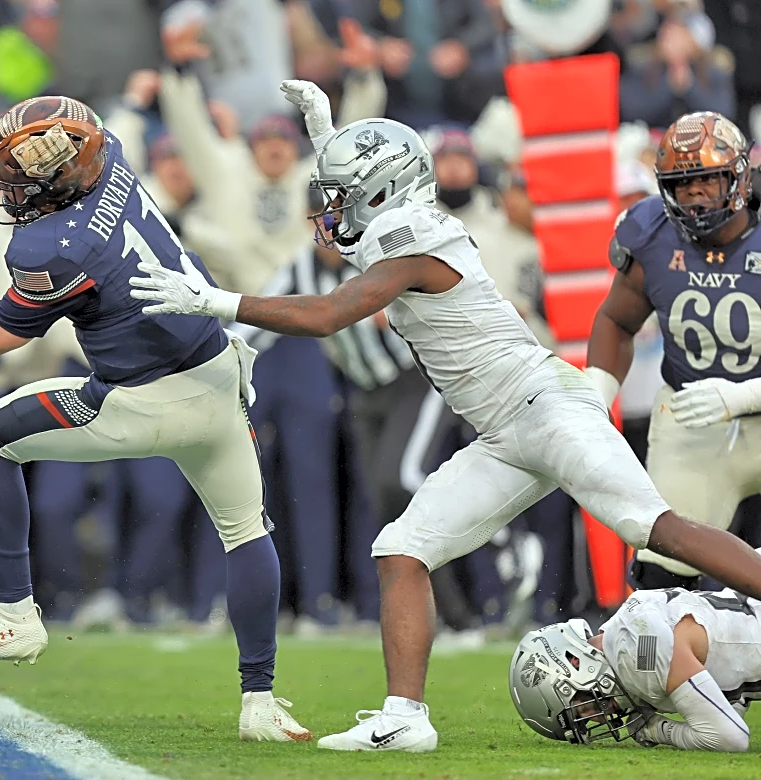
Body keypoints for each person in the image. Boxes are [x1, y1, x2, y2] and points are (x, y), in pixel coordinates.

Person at [129, 80, 761, 753]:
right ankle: (405, 716)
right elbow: (360, 217)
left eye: (344, 191)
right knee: (401, 549)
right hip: (505, 432)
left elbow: (326, 313)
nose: (331, 205)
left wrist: (211, 301)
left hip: (545, 407)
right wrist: (325, 136)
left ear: (382, 191)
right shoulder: (399, 222)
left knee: (656, 529)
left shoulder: (415, 237)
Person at [0, 96, 310, 743]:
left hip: (142, 402)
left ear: (57, 178)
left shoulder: (53, 247)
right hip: (218, 377)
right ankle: (260, 702)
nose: (8, 189)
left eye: (18, 177)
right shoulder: (114, 163)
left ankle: (16, 611)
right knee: (246, 532)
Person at [585, 110, 761, 591]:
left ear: (739, 178)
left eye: (707, 180)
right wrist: (595, 397)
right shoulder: (652, 234)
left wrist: (740, 398)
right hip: (691, 418)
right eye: (683, 185)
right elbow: (617, 320)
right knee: (657, 580)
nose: (695, 196)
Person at [509, 582, 760, 751]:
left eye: (581, 707)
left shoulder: (638, 656)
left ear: (574, 661)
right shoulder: (624, 629)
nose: (598, 716)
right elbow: (729, 701)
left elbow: (730, 737)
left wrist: (656, 730)